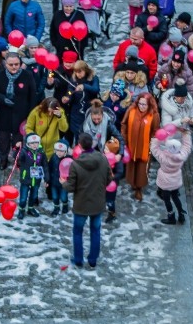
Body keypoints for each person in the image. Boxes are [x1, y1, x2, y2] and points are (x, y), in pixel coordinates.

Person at [61, 133, 111, 269]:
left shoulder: (75, 164)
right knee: (95, 231)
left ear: (80, 145)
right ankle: (93, 260)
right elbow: (109, 179)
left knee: (78, 232)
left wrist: (63, 183)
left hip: (81, 205)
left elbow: (70, 187)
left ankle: (78, 260)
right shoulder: (103, 159)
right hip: (98, 203)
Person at [0, 53, 37, 171]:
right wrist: (3, 99)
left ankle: (19, 160)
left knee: (19, 140)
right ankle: (3, 159)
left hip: (21, 113)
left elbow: (32, 96)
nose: (14, 67)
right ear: (5, 64)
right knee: (3, 139)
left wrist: (30, 115)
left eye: (16, 64)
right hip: (3, 113)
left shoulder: (27, 75)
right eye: (11, 64)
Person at [121, 94, 160, 201]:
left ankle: (139, 188)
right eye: (140, 103)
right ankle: (132, 183)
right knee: (132, 165)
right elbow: (124, 124)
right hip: (131, 144)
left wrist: (152, 143)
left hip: (145, 147)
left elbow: (155, 131)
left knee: (142, 169)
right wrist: (124, 138)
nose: (141, 106)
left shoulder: (154, 115)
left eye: (144, 104)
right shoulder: (131, 110)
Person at [150, 129, 191, 225]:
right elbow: (187, 146)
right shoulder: (182, 156)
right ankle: (181, 214)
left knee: (167, 199)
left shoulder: (163, 157)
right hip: (175, 179)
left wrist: (157, 138)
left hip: (165, 181)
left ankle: (171, 217)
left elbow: (154, 148)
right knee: (175, 197)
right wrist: (186, 134)